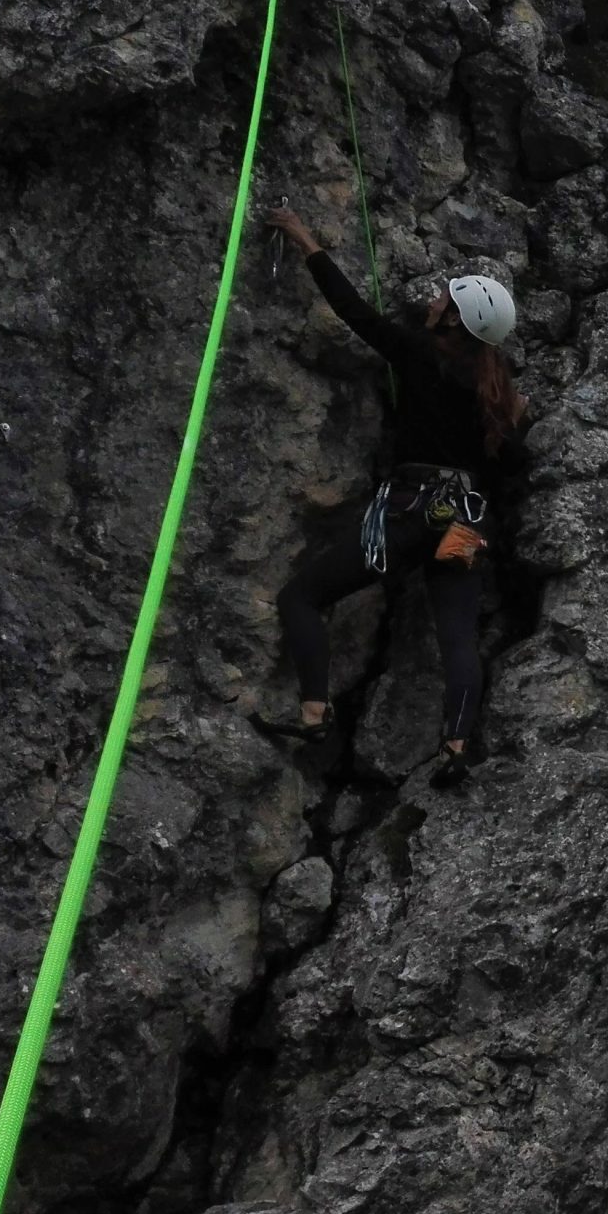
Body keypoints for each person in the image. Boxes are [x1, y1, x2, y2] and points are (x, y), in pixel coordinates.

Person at [254, 207, 527, 787]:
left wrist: (306, 238)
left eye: (443, 303)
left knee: (302, 596)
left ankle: (313, 711)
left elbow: (353, 311)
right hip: (465, 522)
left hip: (412, 509)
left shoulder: (422, 354)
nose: (432, 304)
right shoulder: (500, 399)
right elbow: (513, 471)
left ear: (456, 322)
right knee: (457, 635)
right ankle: (455, 746)